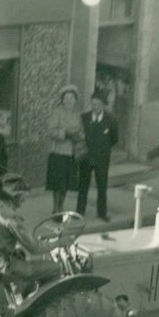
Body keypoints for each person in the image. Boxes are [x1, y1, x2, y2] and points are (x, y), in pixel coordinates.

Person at [0, 173, 62, 286]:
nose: (24, 200)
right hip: (0, 266)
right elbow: (35, 248)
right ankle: (44, 303)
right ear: (15, 196)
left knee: (21, 254)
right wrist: (60, 242)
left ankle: (26, 289)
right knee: (55, 267)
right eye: (22, 196)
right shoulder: (9, 216)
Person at [76, 90, 119, 221]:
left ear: (103, 105)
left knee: (102, 186)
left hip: (102, 158)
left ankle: (102, 213)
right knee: (83, 186)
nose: (95, 107)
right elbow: (79, 135)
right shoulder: (84, 117)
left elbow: (114, 139)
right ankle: (79, 212)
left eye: (98, 104)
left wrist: (103, 148)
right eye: (93, 104)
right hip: (86, 157)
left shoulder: (111, 119)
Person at [45, 85, 84, 214]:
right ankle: (55, 208)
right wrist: (65, 133)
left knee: (66, 183)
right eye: (66, 98)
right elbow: (50, 131)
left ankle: (61, 207)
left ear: (75, 100)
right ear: (62, 100)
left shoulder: (78, 115)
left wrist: (79, 136)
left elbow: (81, 131)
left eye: (71, 98)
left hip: (71, 153)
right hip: (58, 152)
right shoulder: (57, 112)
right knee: (57, 183)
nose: (69, 100)